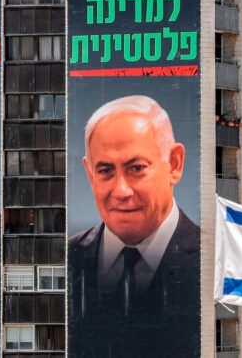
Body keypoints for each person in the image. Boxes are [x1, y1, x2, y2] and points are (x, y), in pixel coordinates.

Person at [68, 95, 200, 357]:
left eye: (136, 168)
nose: (121, 191)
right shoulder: (64, 260)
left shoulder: (216, 261)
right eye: (105, 171)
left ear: (174, 164)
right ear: (89, 173)